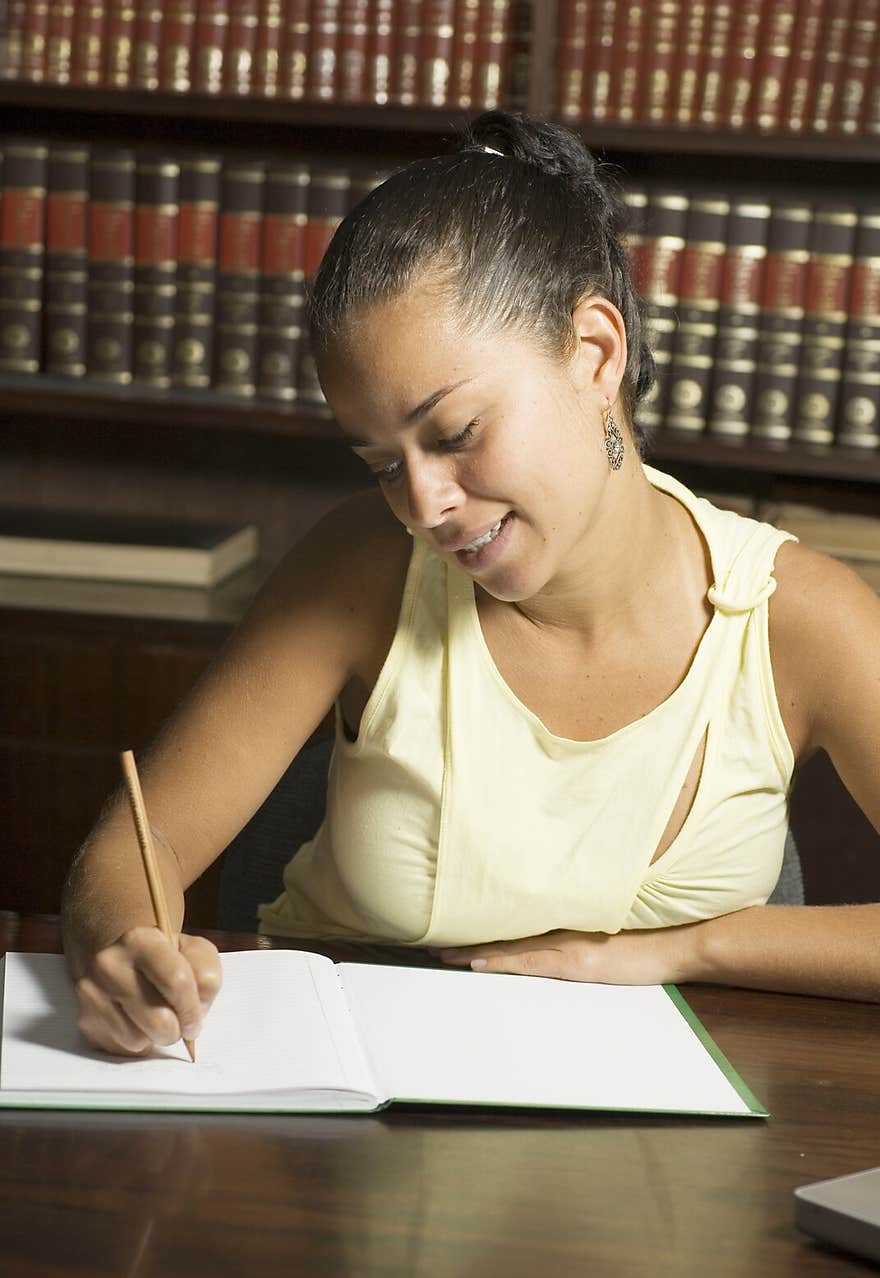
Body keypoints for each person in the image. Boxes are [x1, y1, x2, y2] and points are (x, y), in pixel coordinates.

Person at [61, 111, 880, 1056]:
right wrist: (121, 946)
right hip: (337, 1113)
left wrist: (692, 946)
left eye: (451, 434)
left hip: (660, 1145)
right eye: (380, 462)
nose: (422, 503)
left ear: (595, 354)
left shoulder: (799, 619)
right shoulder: (364, 568)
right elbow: (134, 849)